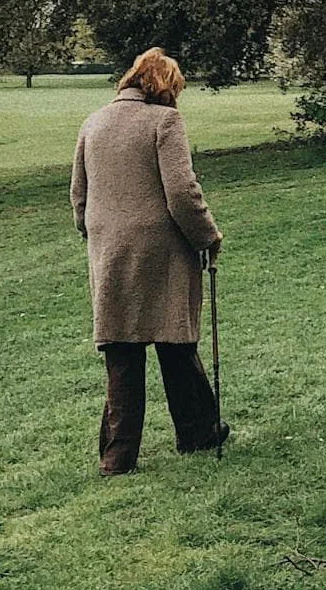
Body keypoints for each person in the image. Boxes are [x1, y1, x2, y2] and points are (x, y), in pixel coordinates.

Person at [72, 47, 226, 474]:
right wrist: (208, 235)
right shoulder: (165, 121)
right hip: (161, 251)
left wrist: (96, 234)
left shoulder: (94, 121)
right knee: (175, 341)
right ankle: (197, 431)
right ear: (165, 86)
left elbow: (78, 194)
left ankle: (117, 456)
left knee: (121, 349)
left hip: (109, 251)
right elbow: (182, 191)